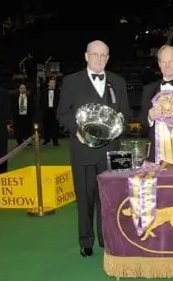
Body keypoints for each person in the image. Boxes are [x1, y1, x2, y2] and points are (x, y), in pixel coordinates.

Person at [57, 40, 130, 257]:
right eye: (95, 54)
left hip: (111, 151)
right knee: (86, 197)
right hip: (83, 151)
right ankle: (86, 240)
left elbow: (125, 110)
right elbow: (62, 113)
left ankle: (107, 237)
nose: (99, 59)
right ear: (86, 56)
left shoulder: (118, 81)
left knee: (109, 197)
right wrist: (81, 129)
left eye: (103, 55)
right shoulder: (71, 81)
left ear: (108, 58)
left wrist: (121, 119)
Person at [0, 81, 13, 185]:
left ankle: (1, 176)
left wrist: (7, 123)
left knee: (1, 153)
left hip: (0, 128)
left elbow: (7, 110)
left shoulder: (3, 93)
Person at [41, 77, 60, 146]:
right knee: (46, 126)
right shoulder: (43, 92)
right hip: (46, 111)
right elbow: (41, 101)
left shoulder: (58, 92)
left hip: (55, 111)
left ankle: (55, 141)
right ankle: (46, 140)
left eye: (54, 83)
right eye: (51, 83)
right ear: (48, 83)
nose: (53, 84)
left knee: (55, 126)